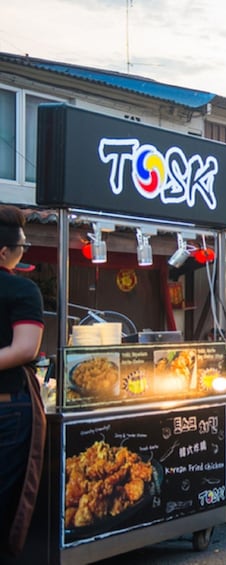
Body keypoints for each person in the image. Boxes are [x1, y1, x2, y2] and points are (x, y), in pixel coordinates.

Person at [0, 205, 44, 557]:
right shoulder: (21, 290)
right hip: (8, 408)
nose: (24, 251)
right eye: (23, 246)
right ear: (5, 251)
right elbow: (25, 349)